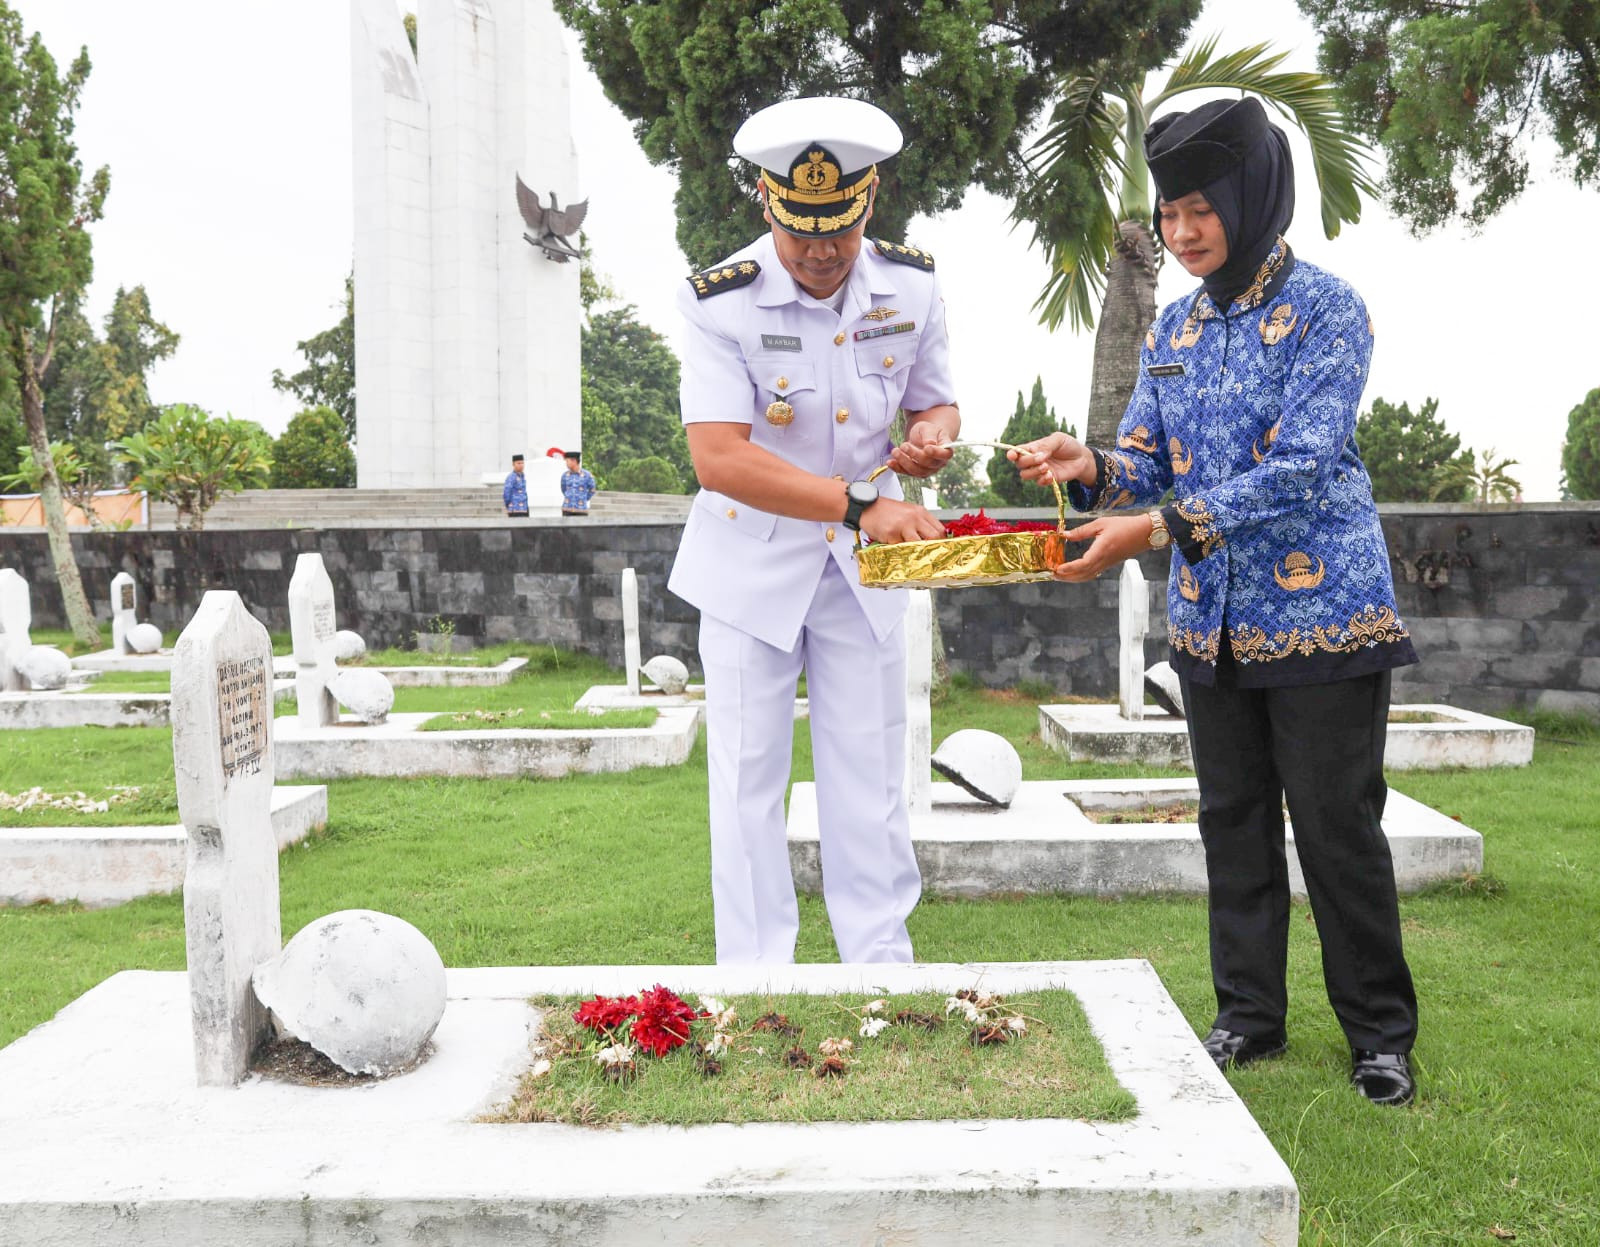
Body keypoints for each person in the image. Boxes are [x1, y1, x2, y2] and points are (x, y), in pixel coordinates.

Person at [1011, 97, 1420, 1107]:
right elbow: (1145, 457)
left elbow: (1303, 467)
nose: (1183, 231)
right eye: (1169, 211)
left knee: (1335, 828)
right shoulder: (1179, 322)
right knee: (1231, 820)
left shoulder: (1328, 308)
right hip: (1213, 620)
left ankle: (1378, 1034)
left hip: (1324, 612)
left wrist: (1149, 529)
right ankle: (1247, 1015)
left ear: (1251, 196)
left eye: (1200, 208)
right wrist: (1092, 459)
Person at [668, 95, 960, 965]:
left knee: (868, 780)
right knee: (750, 780)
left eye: (839, 229)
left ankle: (880, 972)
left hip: (862, 574)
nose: (823, 252)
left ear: (869, 200)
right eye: (802, 234)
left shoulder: (911, 284)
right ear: (767, 205)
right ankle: (758, 983)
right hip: (750, 564)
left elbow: (935, 398)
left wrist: (930, 440)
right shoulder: (719, 300)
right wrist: (863, 504)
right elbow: (718, 457)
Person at [560, 450, 597, 517]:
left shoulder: (587, 475)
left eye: (567, 461)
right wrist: (569, 496)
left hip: (581, 510)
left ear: (574, 461)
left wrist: (584, 498)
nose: (566, 463)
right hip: (567, 509)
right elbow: (563, 489)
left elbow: (592, 489)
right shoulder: (565, 475)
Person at [502, 454, 528, 518]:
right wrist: (509, 505)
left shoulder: (523, 477)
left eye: (522, 463)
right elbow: (506, 493)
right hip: (515, 510)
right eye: (518, 463)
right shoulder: (511, 477)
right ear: (513, 464)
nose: (521, 465)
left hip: (524, 509)